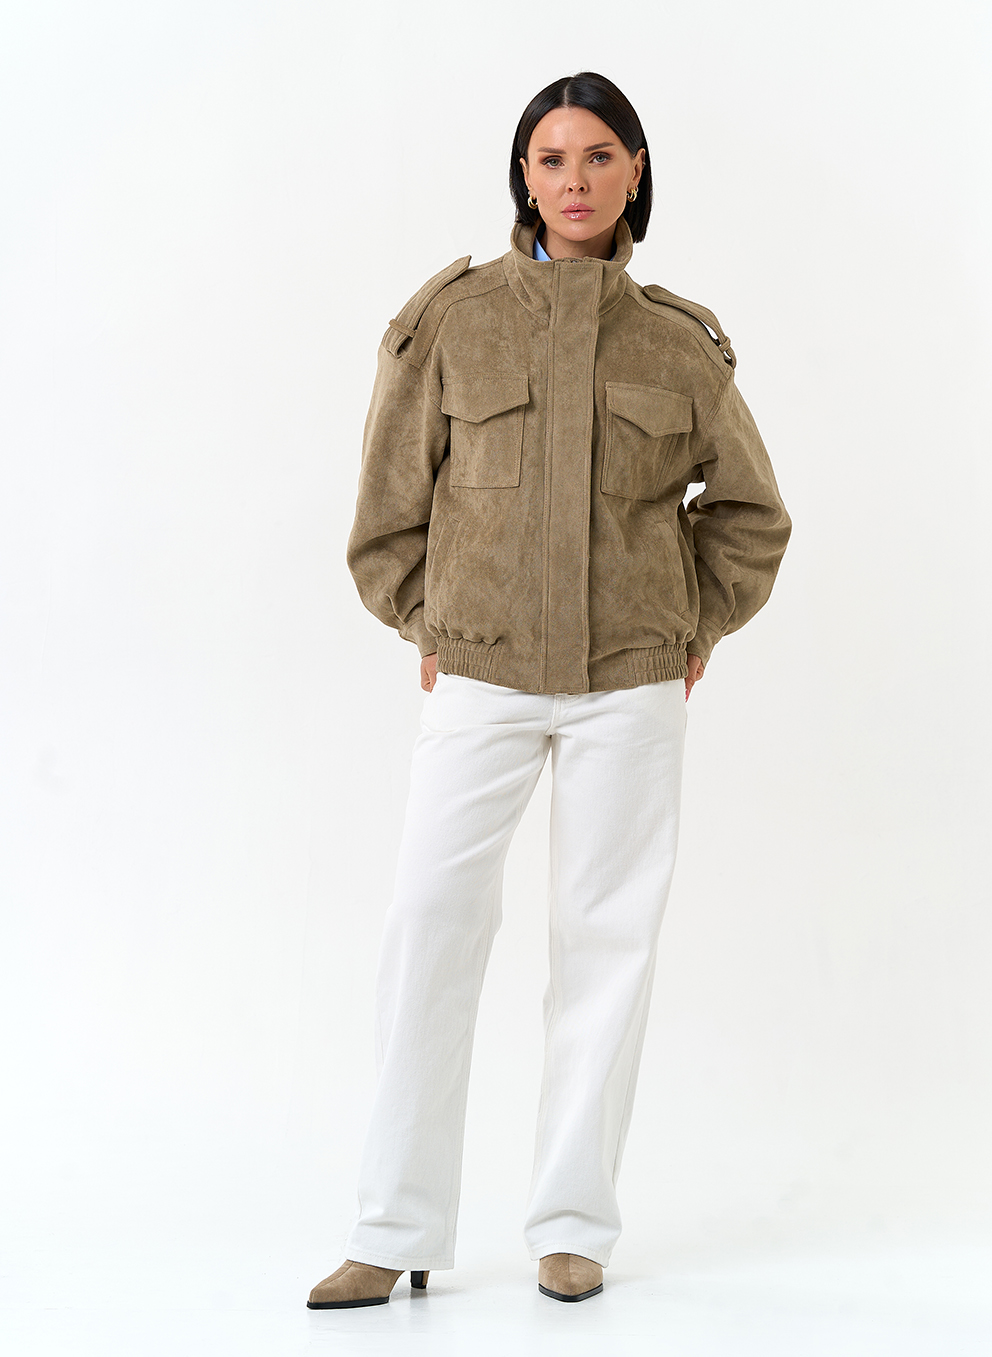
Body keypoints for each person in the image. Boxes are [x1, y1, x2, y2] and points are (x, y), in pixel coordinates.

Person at [307, 70, 791, 1311]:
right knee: (429, 923)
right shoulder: (453, 320)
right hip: (478, 674)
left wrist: (693, 624)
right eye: (548, 159)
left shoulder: (678, 344)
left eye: (596, 156)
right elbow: (387, 506)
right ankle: (392, 1223)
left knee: (603, 944)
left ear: (634, 170)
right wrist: (425, 618)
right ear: (521, 176)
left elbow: (748, 514)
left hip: (629, 686)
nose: (572, 181)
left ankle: (571, 1224)